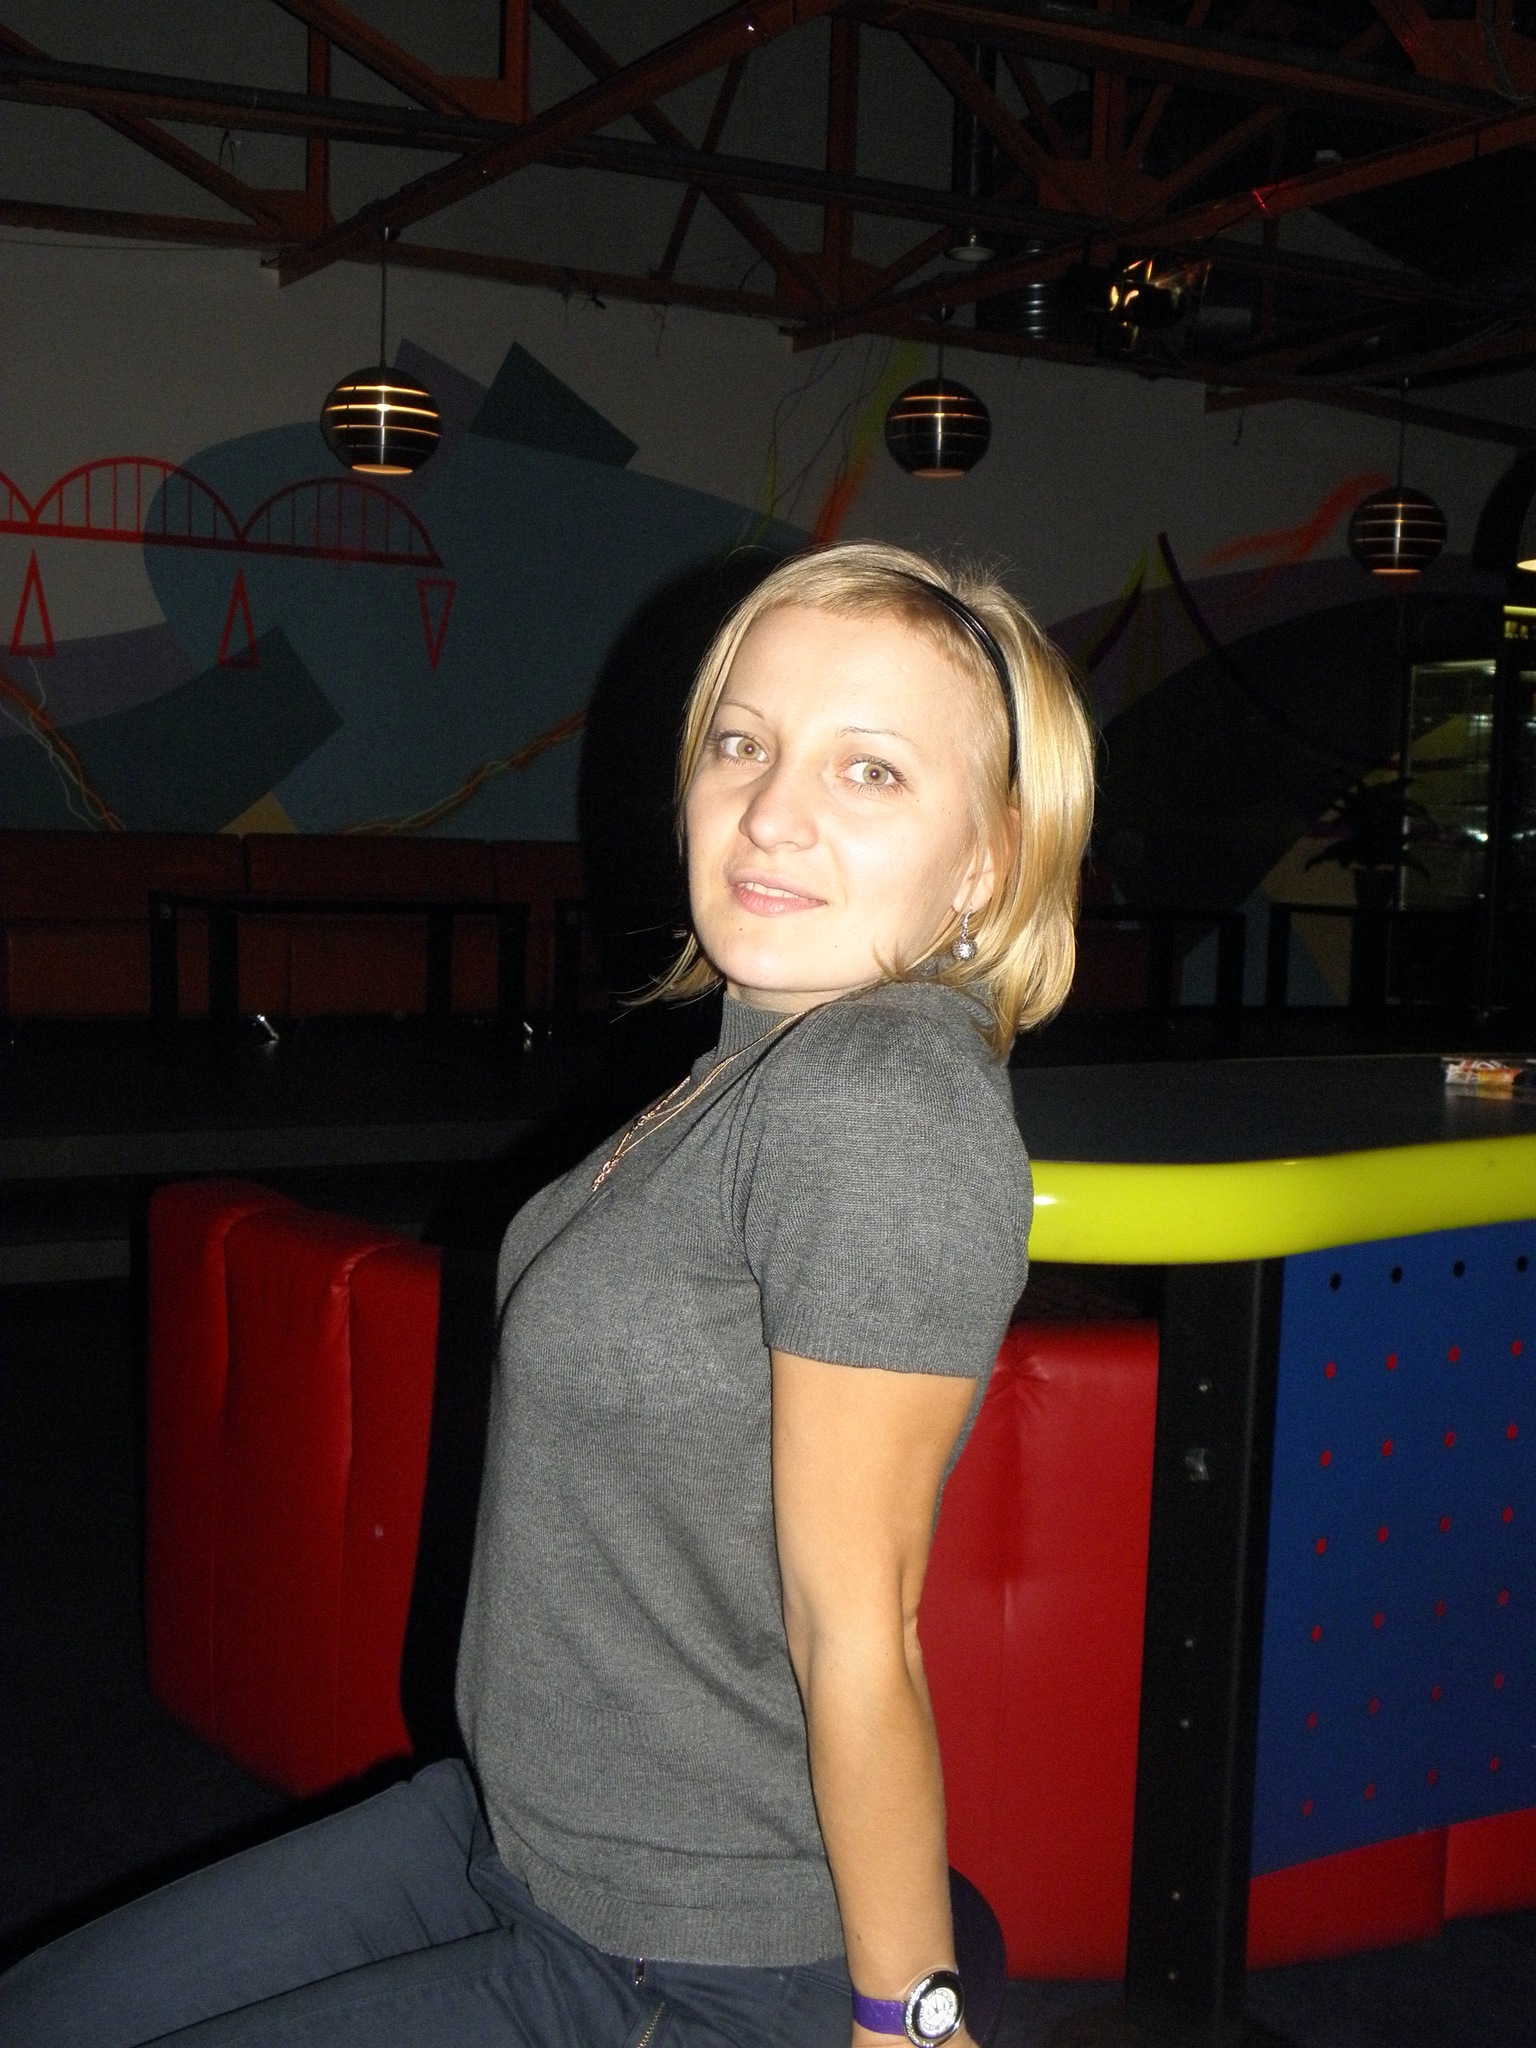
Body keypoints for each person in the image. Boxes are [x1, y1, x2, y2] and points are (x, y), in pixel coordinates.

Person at [0, 541, 1094, 2048]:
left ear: (986, 861)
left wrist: (909, 2018)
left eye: (871, 772)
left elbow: (859, 1624)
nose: (772, 812)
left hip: (684, 1948)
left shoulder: (880, 1094)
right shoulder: (749, 1062)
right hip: (512, 1836)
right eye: (743, 743)